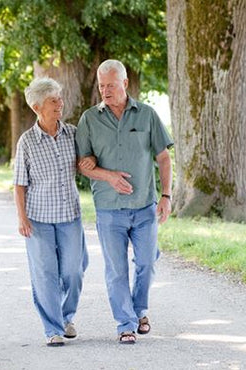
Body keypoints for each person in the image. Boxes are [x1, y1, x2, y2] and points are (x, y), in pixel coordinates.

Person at [76, 59, 173, 345]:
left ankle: (139, 310)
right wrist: (106, 175)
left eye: (110, 85)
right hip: (108, 209)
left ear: (125, 83)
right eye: (101, 86)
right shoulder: (89, 119)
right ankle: (125, 324)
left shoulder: (147, 115)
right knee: (116, 270)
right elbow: (84, 163)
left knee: (147, 262)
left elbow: (164, 158)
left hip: (144, 206)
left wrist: (166, 196)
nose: (105, 91)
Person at [13, 77, 93, 347]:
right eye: (53, 101)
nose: (60, 104)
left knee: (74, 270)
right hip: (39, 220)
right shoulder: (26, 142)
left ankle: (66, 316)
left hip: (69, 215)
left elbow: (87, 163)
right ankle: (53, 329)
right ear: (37, 107)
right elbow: (19, 184)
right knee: (45, 274)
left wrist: (92, 162)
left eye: (60, 98)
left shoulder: (72, 133)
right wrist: (22, 218)